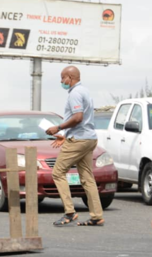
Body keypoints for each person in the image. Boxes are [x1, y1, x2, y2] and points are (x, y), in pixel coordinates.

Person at [46, 66, 104, 227]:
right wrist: (64, 135)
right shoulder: (84, 91)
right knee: (86, 177)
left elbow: (78, 117)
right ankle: (96, 216)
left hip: (79, 139)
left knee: (58, 172)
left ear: (70, 77)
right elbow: (82, 120)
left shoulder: (75, 94)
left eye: (63, 77)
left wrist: (58, 128)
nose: (61, 81)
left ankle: (69, 212)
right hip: (88, 138)